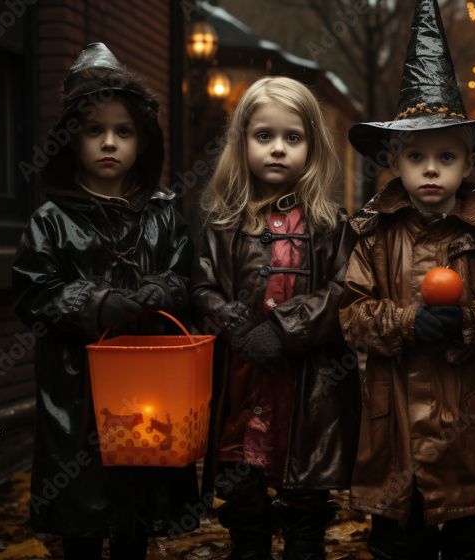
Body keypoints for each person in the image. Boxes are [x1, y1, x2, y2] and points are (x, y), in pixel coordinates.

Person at [340, 1, 475, 558]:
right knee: (400, 545)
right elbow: (352, 313)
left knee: (472, 544)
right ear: (394, 161)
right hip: (393, 430)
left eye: (446, 156)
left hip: (469, 430)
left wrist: (468, 322)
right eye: (415, 155)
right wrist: (407, 321)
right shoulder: (373, 234)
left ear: (468, 164)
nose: (429, 168)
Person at [12, 43, 197, 560]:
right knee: (84, 508)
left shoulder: (164, 217)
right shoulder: (49, 221)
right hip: (78, 390)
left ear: (143, 140)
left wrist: (166, 289)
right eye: (95, 130)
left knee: (138, 505)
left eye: (123, 131)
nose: (109, 142)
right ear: (72, 140)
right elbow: (34, 290)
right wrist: (94, 303)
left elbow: (188, 276)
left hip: (148, 387)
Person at [191, 76, 360, 560]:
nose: (278, 149)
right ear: (242, 141)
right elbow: (202, 286)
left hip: (310, 384)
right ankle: (249, 544)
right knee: (242, 487)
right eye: (264, 136)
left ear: (313, 146)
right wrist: (229, 317)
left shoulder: (331, 225)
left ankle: (304, 544)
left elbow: (344, 290)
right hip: (242, 378)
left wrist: (287, 328)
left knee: (305, 491)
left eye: (293, 137)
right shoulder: (224, 224)